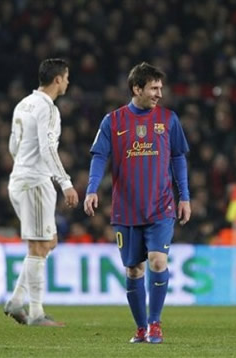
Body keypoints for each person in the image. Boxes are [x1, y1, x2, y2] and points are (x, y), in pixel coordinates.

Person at [84, 62, 191, 343]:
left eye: (160, 88)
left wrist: (185, 197)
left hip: (161, 206)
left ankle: (155, 323)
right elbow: (99, 156)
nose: (159, 94)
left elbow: (179, 158)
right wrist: (92, 189)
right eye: (154, 88)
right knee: (134, 269)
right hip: (126, 209)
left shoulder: (169, 120)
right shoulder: (112, 121)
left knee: (157, 261)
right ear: (136, 88)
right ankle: (141, 327)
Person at [5, 58, 79, 327]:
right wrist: (65, 182)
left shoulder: (23, 103)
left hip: (20, 179)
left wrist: (22, 166)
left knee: (48, 243)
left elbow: (14, 145)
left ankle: (16, 301)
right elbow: (48, 148)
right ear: (58, 79)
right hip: (35, 182)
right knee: (38, 246)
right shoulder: (48, 108)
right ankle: (35, 313)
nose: (68, 82)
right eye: (67, 77)